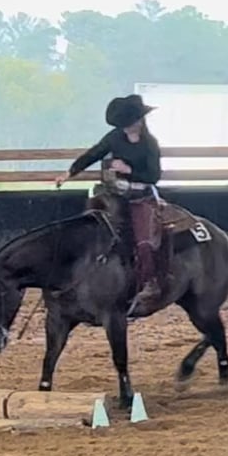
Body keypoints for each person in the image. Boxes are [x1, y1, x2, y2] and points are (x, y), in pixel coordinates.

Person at [55, 93, 164, 310]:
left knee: (144, 240)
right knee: (90, 221)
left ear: (138, 121)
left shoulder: (150, 144)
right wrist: (69, 172)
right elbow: (93, 154)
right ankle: (81, 272)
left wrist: (129, 170)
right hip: (115, 192)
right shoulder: (115, 137)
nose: (126, 128)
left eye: (128, 124)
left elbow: (154, 175)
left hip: (140, 195)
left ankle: (150, 282)